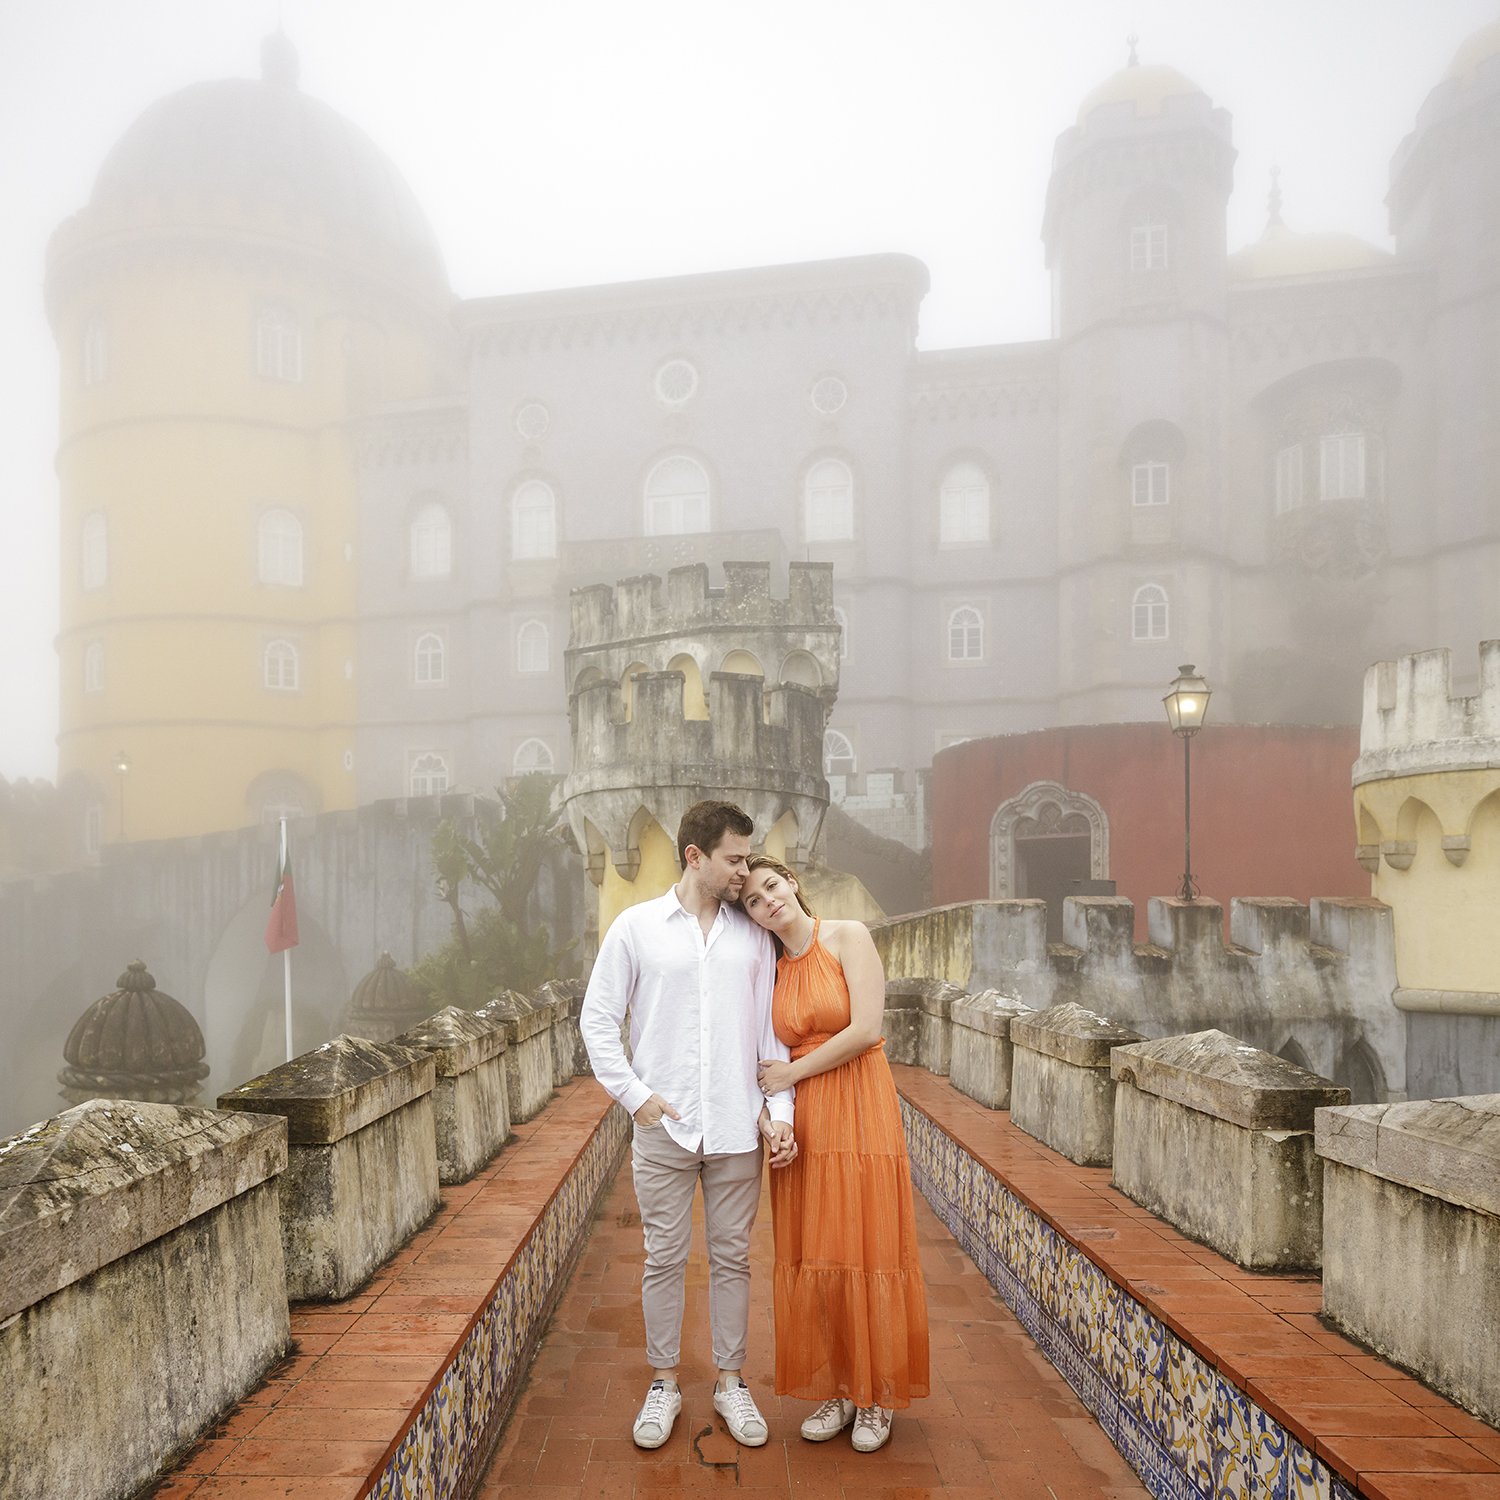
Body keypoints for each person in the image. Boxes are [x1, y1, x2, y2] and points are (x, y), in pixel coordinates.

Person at [579, 801, 798, 1453]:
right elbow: (598, 1021)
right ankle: (665, 1383)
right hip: (663, 1130)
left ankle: (731, 1382)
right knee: (663, 1258)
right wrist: (635, 1096)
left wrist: (778, 1115)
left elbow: (771, 1034)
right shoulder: (636, 929)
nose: (744, 871)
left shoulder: (753, 934)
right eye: (734, 858)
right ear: (694, 856)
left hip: (736, 1127)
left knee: (733, 1259)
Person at [738, 853, 930, 1454]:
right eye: (752, 900)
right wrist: (778, 1110)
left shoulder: (848, 936)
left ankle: (876, 1396)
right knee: (817, 1246)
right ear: (753, 917)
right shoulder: (770, 969)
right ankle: (839, 1386)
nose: (768, 900)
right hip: (807, 1119)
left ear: (792, 884)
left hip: (860, 1101)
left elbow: (867, 1029)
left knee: (866, 1241)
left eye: (771, 886)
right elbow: (761, 1048)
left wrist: (789, 1072)